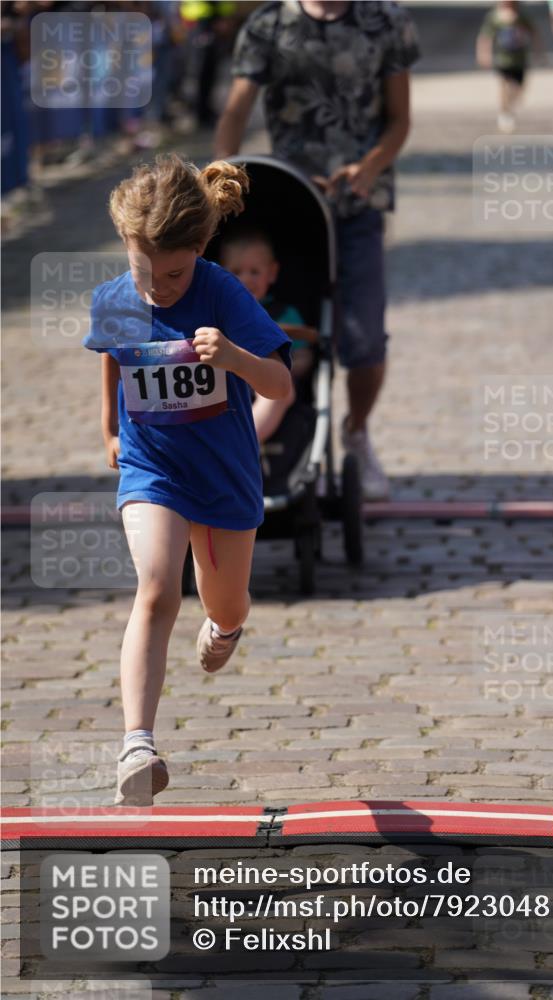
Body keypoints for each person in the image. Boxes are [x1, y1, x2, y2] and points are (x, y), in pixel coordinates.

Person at [83, 153, 292, 806]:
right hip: (154, 469)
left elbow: (280, 383)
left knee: (224, 602)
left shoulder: (222, 291)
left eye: (173, 273)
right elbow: (116, 361)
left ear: (200, 249)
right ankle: (136, 745)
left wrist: (232, 358)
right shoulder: (115, 298)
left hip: (225, 474)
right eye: (143, 270)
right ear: (126, 247)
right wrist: (111, 430)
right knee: (154, 586)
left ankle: (226, 627)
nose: (158, 287)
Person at [214, 0, 420, 500]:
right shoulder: (268, 25)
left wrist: (369, 169)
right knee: (274, 322)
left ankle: (357, 431)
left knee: (364, 337)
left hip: (356, 204)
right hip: (290, 206)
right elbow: (236, 110)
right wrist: (218, 180)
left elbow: (399, 121)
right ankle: (264, 430)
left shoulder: (386, 21)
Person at [219, 227, 316, 442]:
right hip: (229, 382)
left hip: (271, 383)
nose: (245, 280)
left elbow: (304, 355)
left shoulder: (286, 315)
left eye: (254, 272)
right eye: (236, 272)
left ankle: (242, 442)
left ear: (271, 273)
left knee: (281, 390)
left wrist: (291, 366)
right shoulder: (219, 312)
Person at [476, 0, 539, 134]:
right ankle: (505, 113)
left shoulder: (522, 16)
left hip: (520, 59)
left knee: (519, 89)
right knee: (504, 85)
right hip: (502, 59)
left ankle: (510, 107)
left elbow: (533, 33)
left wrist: (539, 51)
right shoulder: (494, 17)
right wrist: (484, 54)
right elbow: (485, 37)